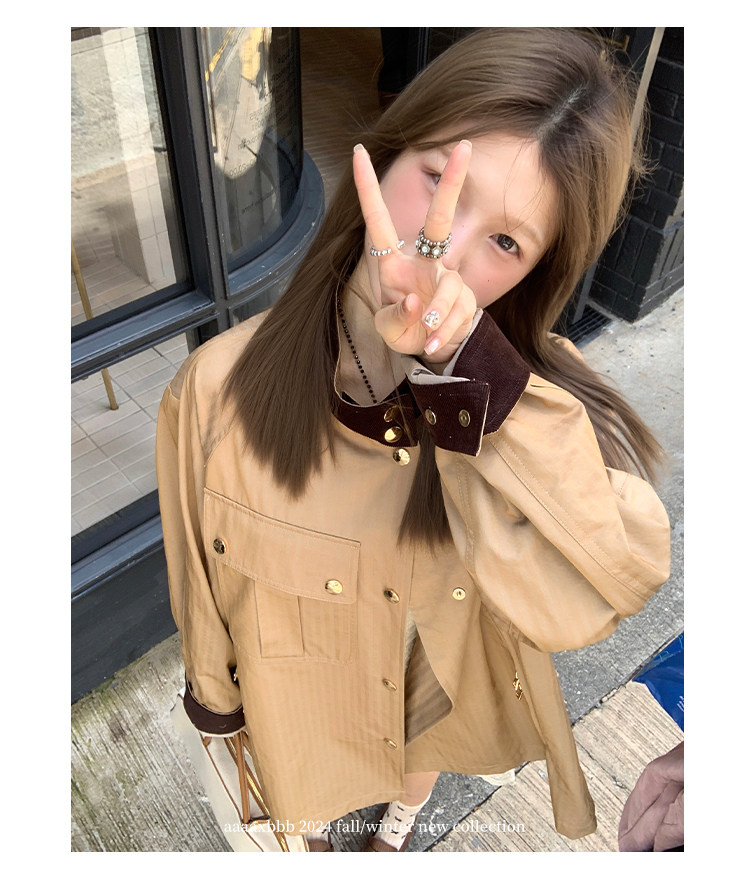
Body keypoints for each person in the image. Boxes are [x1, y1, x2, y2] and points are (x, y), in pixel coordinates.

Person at [156, 27, 671, 852]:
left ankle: (397, 827)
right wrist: (221, 724)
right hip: (306, 708)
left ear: (536, 272)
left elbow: (613, 579)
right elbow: (198, 586)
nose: (448, 256)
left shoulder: (531, 405)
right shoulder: (217, 390)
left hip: (427, 688)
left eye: (506, 241)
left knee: (419, 744)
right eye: (439, 181)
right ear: (390, 151)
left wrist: (469, 371)